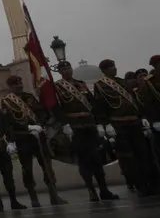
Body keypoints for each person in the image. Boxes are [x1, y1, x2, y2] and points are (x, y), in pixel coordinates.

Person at [54, 60, 119, 202]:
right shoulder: (58, 87)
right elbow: (57, 108)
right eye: (63, 69)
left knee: (97, 158)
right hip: (76, 128)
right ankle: (91, 190)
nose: (67, 71)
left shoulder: (81, 84)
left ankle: (104, 189)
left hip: (89, 125)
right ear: (60, 72)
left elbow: (92, 103)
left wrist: (99, 123)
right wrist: (65, 124)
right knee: (84, 161)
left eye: (68, 68)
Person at [94, 59, 157, 196]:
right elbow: (100, 106)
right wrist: (105, 124)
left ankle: (149, 183)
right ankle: (139, 185)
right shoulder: (100, 86)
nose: (114, 69)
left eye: (114, 66)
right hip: (119, 124)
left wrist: (142, 117)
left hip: (134, 122)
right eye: (111, 67)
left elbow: (135, 101)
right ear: (104, 70)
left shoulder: (122, 82)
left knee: (143, 154)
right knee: (129, 158)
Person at [0, 75, 65, 206]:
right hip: (23, 138)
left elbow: (40, 112)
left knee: (47, 167)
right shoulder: (7, 101)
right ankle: (33, 198)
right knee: (27, 169)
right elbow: (9, 122)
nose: (19, 86)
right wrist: (27, 128)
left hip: (38, 137)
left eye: (20, 83)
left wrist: (41, 125)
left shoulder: (29, 97)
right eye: (15, 84)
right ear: (10, 87)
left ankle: (54, 195)